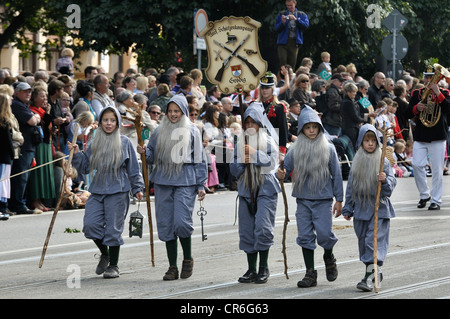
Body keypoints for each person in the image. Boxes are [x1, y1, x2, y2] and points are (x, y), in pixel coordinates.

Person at [137, 94, 207, 281]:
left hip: (185, 181)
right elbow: (151, 156)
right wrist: (144, 151)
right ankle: (172, 266)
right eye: (170, 111)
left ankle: (187, 258)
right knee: (166, 225)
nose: (173, 114)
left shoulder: (193, 131)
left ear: (183, 111)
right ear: (166, 113)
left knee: (182, 223)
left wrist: (201, 184)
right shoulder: (159, 131)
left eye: (177, 111)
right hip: (163, 182)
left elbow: (200, 158)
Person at [68, 106, 144, 279]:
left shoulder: (124, 142)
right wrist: (77, 153)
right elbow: (86, 167)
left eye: (112, 120)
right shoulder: (95, 141)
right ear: (100, 122)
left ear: (117, 122)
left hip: (119, 189)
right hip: (97, 188)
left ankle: (114, 266)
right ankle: (105, 253)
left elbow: (133, 168)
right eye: (105, 120)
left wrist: (138, 187)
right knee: (90, 225)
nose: (109, 123)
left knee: (113, 229)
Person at [277, 105, 343, 288]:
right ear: (301, 129)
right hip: (303, 200)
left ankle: (329, 256)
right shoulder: (295, 149)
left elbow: (336, 174)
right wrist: (280, 173)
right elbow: (285, 169)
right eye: (307, 127)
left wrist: (339, 199)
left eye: (314, 127)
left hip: (323, 200)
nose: (311, 131)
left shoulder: (328, 148)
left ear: (320, 127)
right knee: (305, 236)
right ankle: (310, 273)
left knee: (324, 234)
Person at [342, 124, 397, 292]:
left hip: (378, 209)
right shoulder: (357, 161)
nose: (371, 144)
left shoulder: (383, 162)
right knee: (364, 243)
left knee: (373, 242)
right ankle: (375, 272)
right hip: (361, 209)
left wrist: (384, 180)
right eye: (367, 140)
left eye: (373, 140)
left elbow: (390, 188)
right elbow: (351, 186)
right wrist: (348, 207)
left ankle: (368, 278)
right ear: (361, 142)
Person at [230, 103, 280, 284]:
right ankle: (251, 269)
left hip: (266, 189)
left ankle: (263, 267)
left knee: (263, 228)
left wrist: (254, 154)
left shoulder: (268, 141)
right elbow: (234, 170)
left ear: (260, 124)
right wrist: (242, 161)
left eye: (254, 123)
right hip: (245, 190)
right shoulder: (240, 143)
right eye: (247, 123)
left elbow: (271, 163)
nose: (250, 126)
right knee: (247, 231)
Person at [406, 68, 450, 210]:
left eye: (433, 77)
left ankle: (436, 200)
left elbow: (448, 109)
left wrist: (437, 92)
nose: (431, 79)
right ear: (424, 78)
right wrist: (416, 108)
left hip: (438, 135)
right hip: (421, 135)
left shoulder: (445, 93)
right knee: (417, 164)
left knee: (437, 170)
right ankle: (424, 194)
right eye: (428, 77)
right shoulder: (417, 94)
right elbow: (407, 113)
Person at [9, 82, 42, 215]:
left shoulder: (24, 105)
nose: (28, 94)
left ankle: (20, 202)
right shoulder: (16, 104)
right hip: (23, 147)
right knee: (21, 176)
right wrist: (36, 117)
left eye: (29, 91)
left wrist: (36, 117)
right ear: (17, 92)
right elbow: (32, 121)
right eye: (25, 91)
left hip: (29, 146)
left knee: (25, 176)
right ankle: (17, 204)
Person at [28, 87, 55, 212]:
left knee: (44, 171)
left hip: (46, 143)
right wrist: (48, 113)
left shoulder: (42, 110)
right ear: (34, 98)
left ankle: (40, 201)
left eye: (45, 96)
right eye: (42, 96)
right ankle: (34, 200)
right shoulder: (32, 110)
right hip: (39, 145)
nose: (45, 99)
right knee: (37, 173)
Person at [0, 93, 21, 220]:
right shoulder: (4, 121)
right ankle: (2, 206)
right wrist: (12, 154)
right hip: (4, 156)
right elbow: (8, 141)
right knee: (3, 181)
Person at [275, 0, 309, 70]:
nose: (289, 7)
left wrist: (296, 20)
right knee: (282, 64)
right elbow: (276, 29)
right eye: (287, 5)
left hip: (294, 42)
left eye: (291, 5)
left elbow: (305, 26)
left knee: (291, 65)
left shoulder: (301, 14)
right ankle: (282, 79)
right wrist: (282, 23)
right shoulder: (282, 14)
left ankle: (290, 79)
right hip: (283, 42)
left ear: (295, 3)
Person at [340, 82, 365, 150]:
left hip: (351, 128)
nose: (355, 93)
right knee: (352, 148)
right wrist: (365, 119)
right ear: (348, 92)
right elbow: (355, 117)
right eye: (353, 92)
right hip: (350, 129)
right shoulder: (348, 103)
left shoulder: (349, 101)